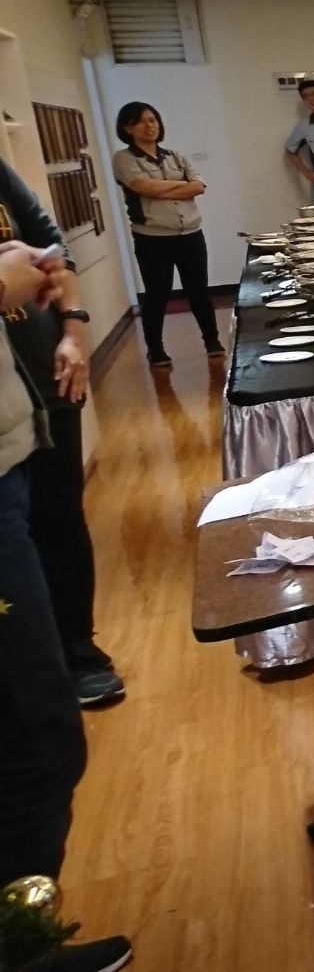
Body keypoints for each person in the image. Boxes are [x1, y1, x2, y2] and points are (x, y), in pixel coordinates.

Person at [0, 225, 133, 972]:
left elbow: (53, 253)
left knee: (37, 729)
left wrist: (70, 322)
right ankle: (22, 952)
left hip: (14, 452)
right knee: (35, 734)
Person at [0, 158, 119, 707]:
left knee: (60, 516)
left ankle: (78, 648)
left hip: (46, 375)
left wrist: (74, 331)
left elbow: (54, 251)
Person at [110, 101, 222, 368]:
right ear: (127, 128)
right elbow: (143, 187)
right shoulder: (124, 159)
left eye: (153, 120)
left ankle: (212, 341)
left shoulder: (176, 156)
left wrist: (162, 188)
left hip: (190, 233)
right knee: (157, 293)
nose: (150, 126)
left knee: (199, 290)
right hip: (152, 238)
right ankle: (156, 349)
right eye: (141, 121)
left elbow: (198, 187)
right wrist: (180, 185)